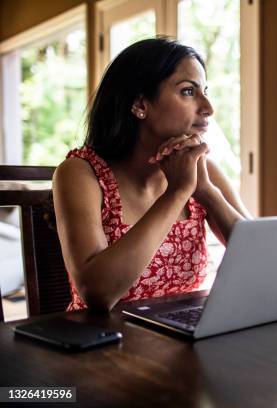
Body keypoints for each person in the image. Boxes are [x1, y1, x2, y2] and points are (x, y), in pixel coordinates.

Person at [53, 38, 250, 312]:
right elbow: (97, 293)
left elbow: (260, 260)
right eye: (188, 92)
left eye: (205, 91)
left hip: (180, 336)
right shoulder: (81, 173)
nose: (208, 108)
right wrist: (178, 192)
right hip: (103, 344)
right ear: (140, 104)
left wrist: (205, 191)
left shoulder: (202, 169)